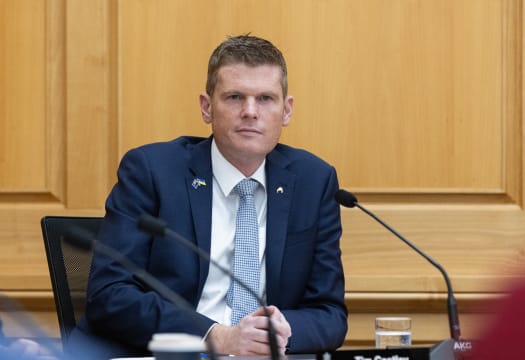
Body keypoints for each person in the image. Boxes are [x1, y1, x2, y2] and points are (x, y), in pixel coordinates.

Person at [70, 34, 348, 358]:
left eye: (265, 98)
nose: (250, 111)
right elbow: (110, 294)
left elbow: (330, 314)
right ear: (206, 107)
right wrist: (215, 336)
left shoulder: (314, 181)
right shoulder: (152, 171)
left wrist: (281, 332)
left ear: (286, 111)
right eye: (234, 97)